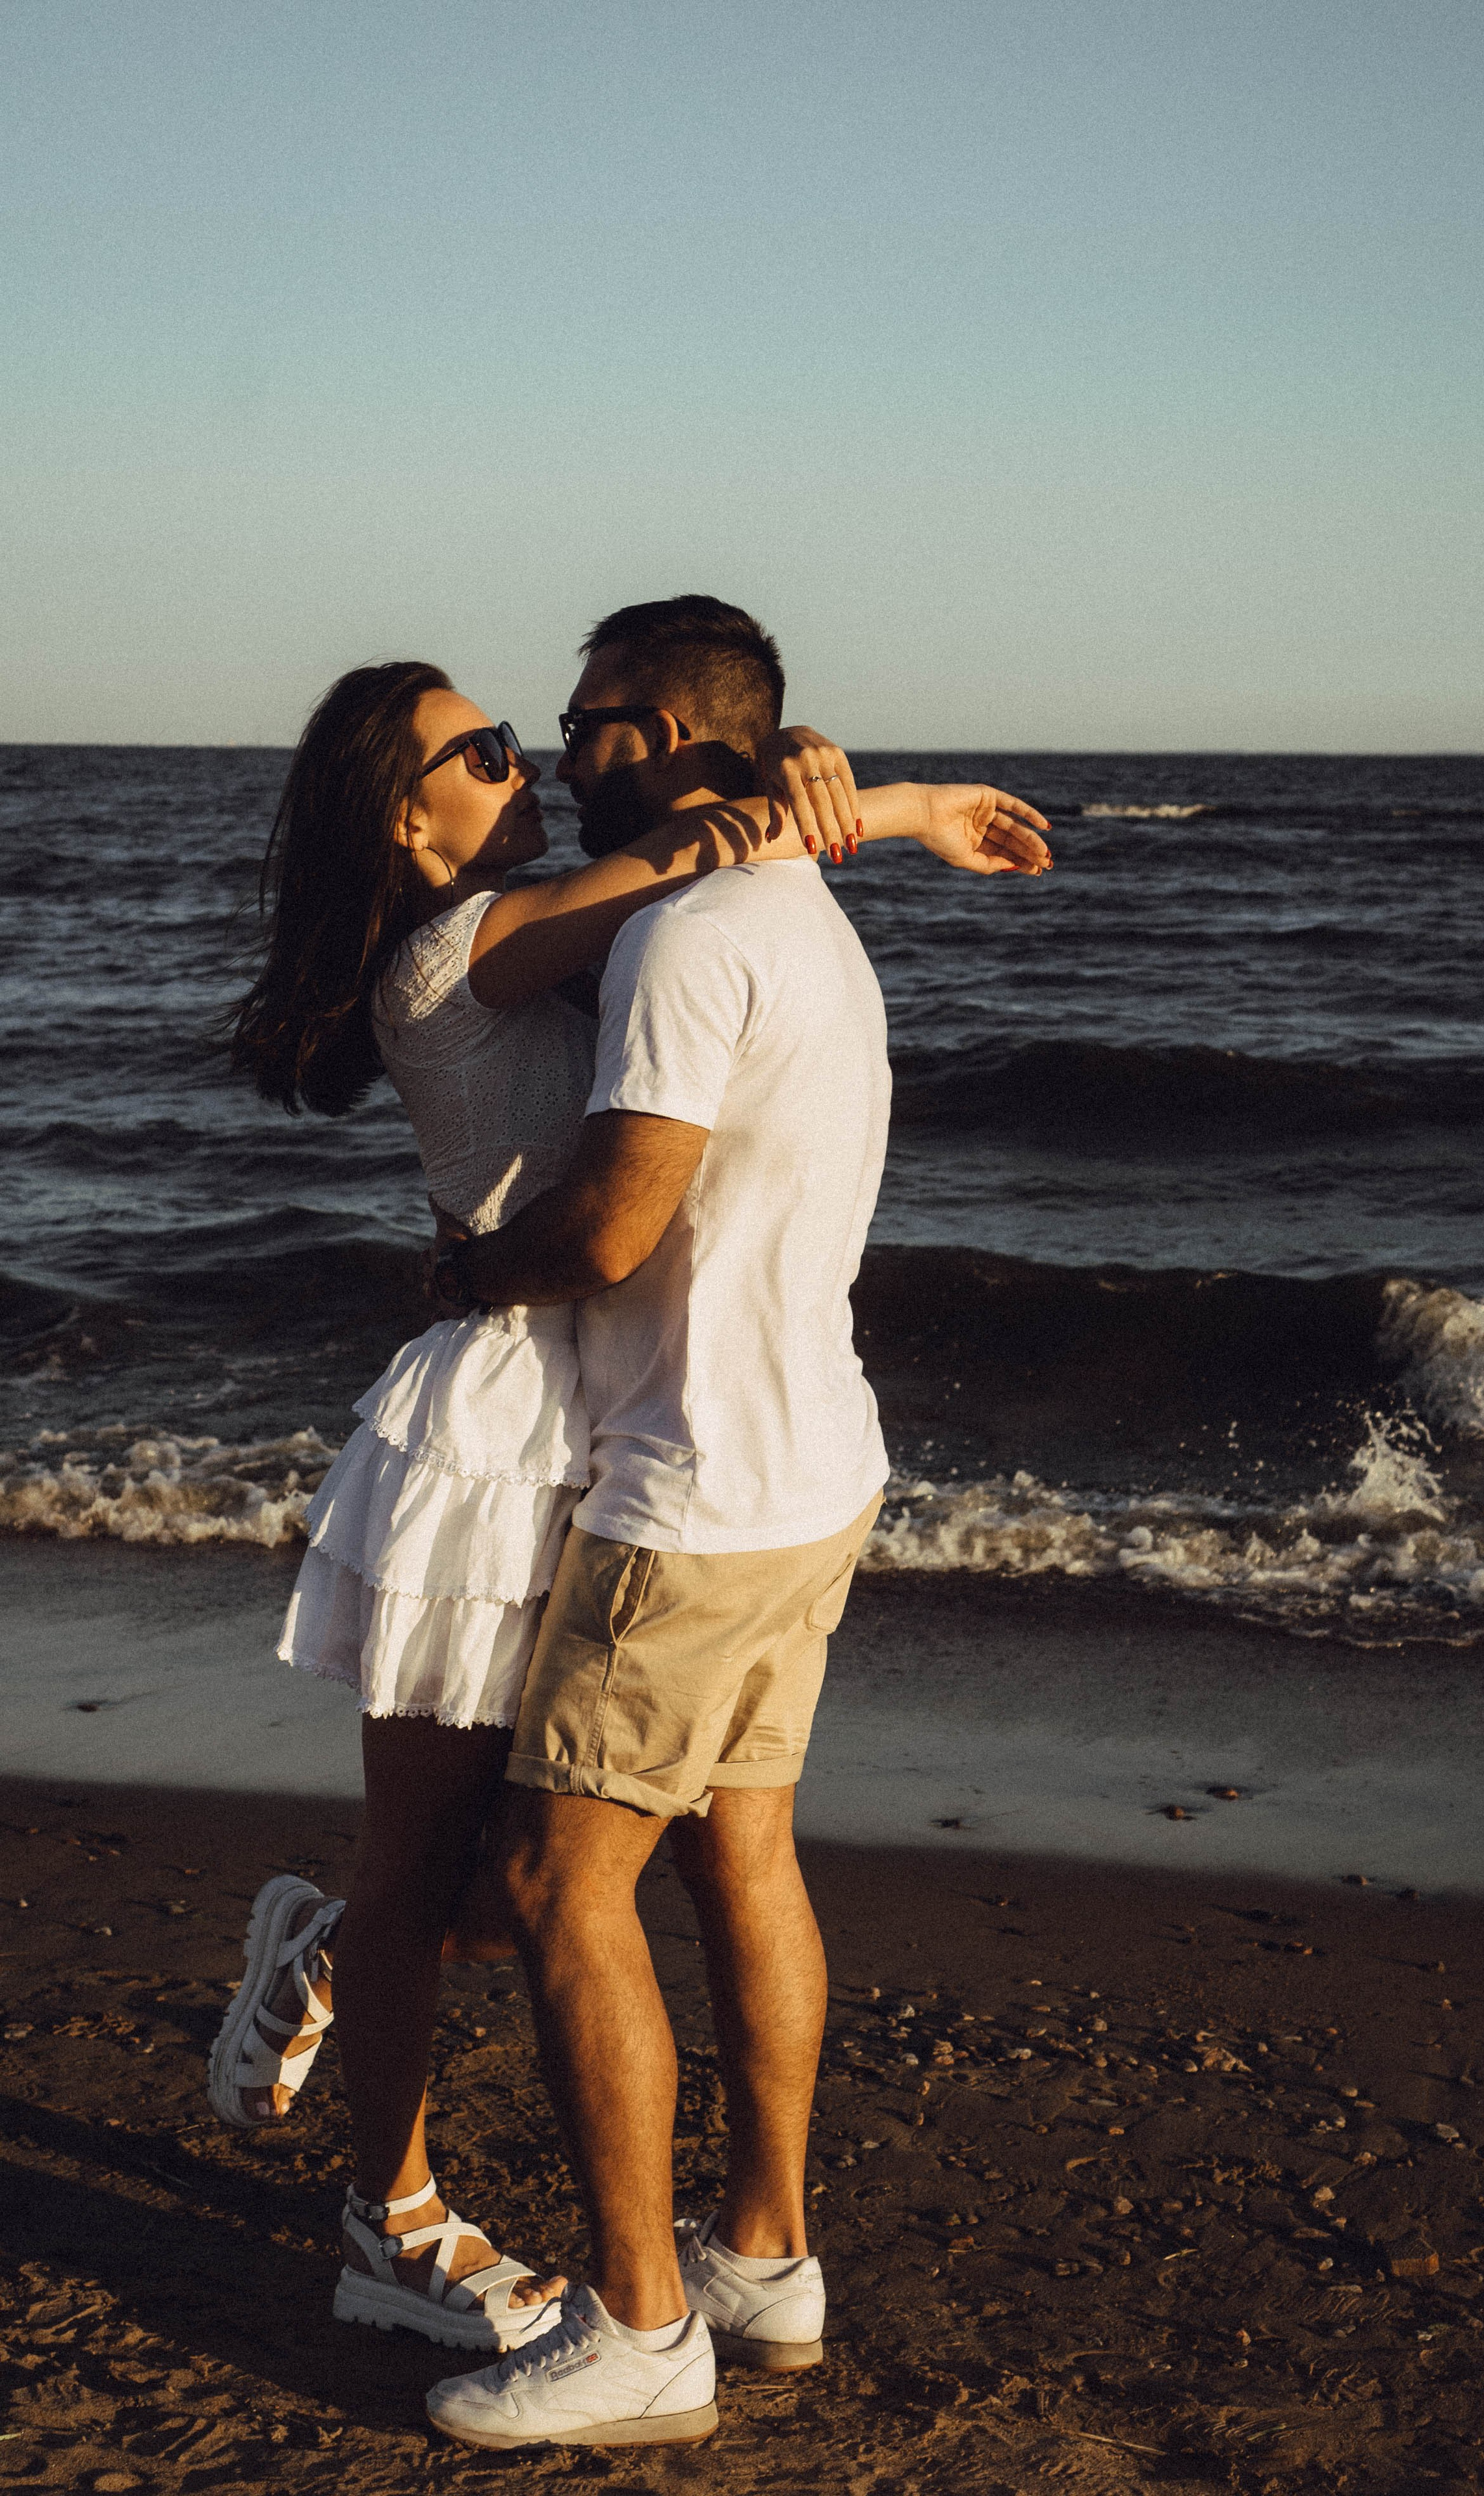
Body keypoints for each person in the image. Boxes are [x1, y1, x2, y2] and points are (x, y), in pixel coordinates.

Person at [209, 604, 1051, 2374]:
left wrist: (814, 798)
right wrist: (872, 805)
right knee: (455, 1851)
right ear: (404, 820)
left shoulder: (570, 938)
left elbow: (708, 901)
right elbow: (698, 849)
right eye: (484, 752)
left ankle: (338, 1953)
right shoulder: (458, 953)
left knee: (548, 1869)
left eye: (530, 735)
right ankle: (396, 2212)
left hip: (626, 1424)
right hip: (498, 1428)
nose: (522, 766)